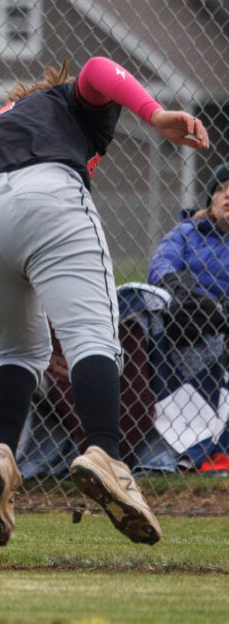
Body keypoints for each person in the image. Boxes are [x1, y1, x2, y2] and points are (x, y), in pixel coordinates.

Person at [0, 56, 209, 549]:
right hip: (46, 196)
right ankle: (105, 455)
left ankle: (0, 453)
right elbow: (98, 69)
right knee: (94, 337)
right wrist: (154, 116)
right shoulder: (66, 101)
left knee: (18, 353)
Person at [143, 163, 229, 468]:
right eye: (221, 189)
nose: (227, 195)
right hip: (185, 313)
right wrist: (185, 295)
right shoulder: (186, 232)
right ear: (211, 199)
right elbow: (161, 267)